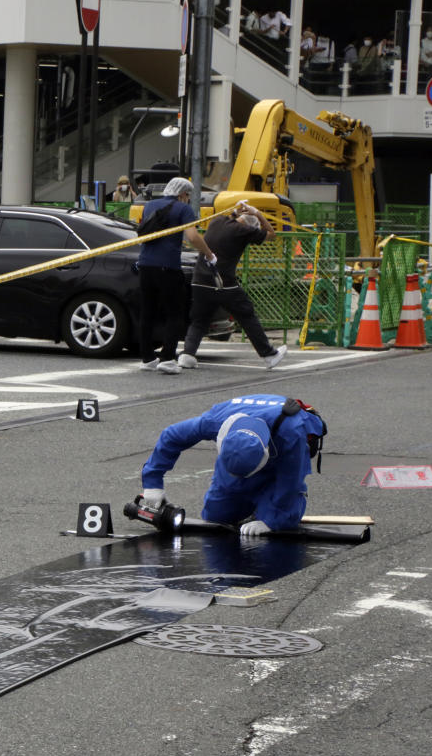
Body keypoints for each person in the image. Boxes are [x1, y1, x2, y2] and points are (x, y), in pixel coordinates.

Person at [138, 394, 326, 536]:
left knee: (284, 520)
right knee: (217, 518)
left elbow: (290, 480)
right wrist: (152, 483)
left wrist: (271, 521)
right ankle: (250, 497)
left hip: (279, 462)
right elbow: (171, 436)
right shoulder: (215, 421)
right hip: (240, 457)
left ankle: (273, 505)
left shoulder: (291, 433)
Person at [178, 203, 288, 371]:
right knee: (246, 314)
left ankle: (187, 354)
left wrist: (237, 210)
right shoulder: (244, 231)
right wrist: (258, 213)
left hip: (199, 279)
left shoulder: (217, 221)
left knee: (200, 320)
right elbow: (271, 235)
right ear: (251, 224)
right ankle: (269, 354)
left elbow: (230, 216)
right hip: (223, 282)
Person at [135, 177, 216, 375]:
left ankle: (147, 358)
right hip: (168, 266)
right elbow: (193, 236)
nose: (188, 199)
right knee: (175, 313)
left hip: (145, 264)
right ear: (182, 194)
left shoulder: (150, 205)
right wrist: (208, 253)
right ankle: (167, 358)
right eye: (188, 195)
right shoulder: (183, 208)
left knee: (148, 311)